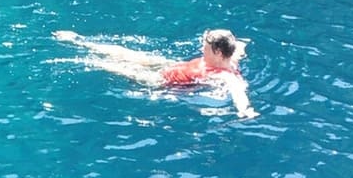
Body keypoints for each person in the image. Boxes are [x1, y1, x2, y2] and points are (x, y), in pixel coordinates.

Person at [54, 28, 258, 119]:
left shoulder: (226, 75)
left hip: (162, 81)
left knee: (114, 66)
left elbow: (239, 92)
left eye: (205, 47)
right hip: (173, 66)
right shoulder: (231, 54)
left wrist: (245, 111)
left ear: (218, 52)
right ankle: (78, 40)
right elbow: (239, 45)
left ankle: (84, 59)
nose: (201, 48)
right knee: (130, 54)